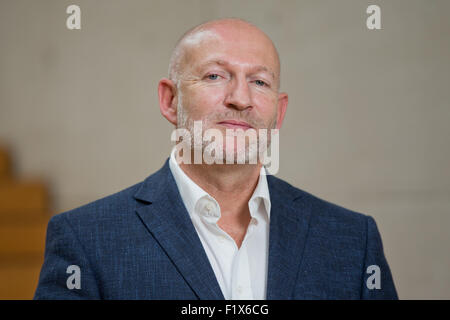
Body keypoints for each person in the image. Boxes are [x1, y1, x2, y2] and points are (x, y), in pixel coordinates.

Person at [34, 18, 398, 299]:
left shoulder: (351, 239)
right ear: (170, 100)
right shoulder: (87, 239)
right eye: (215, 75)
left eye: (259, 82)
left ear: (279, 111)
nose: (240, 98)